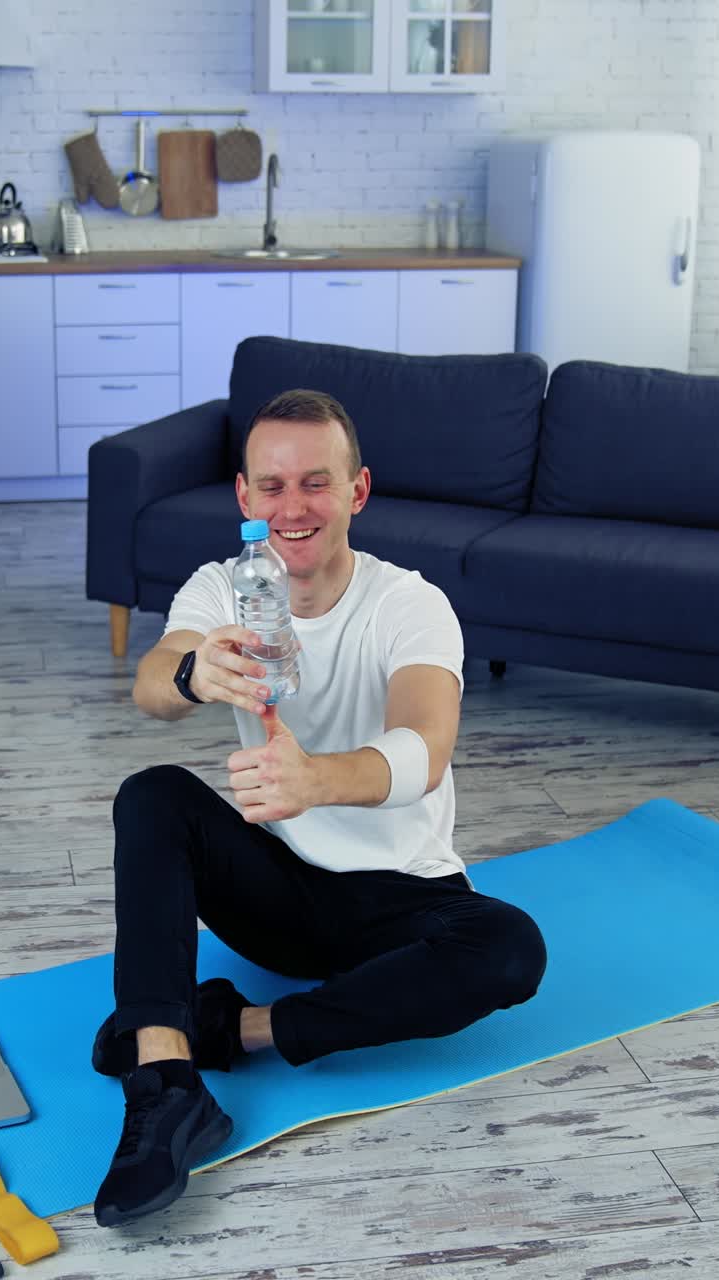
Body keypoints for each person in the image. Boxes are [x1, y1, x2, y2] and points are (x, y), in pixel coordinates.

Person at [91, 388, 548, 1227]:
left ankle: (236, 1028)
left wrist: (316, 781)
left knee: (511, 948)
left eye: (315, 483)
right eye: (271, 487)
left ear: (356, 492)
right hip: (279, 888)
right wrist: (193, 674)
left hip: (402, 895)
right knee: (152, 794)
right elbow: (153, 682)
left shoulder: (409, 605)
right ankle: (164, 1084)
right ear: (243, 498)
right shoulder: (223, 588)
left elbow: (425, 745)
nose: (292, 508)